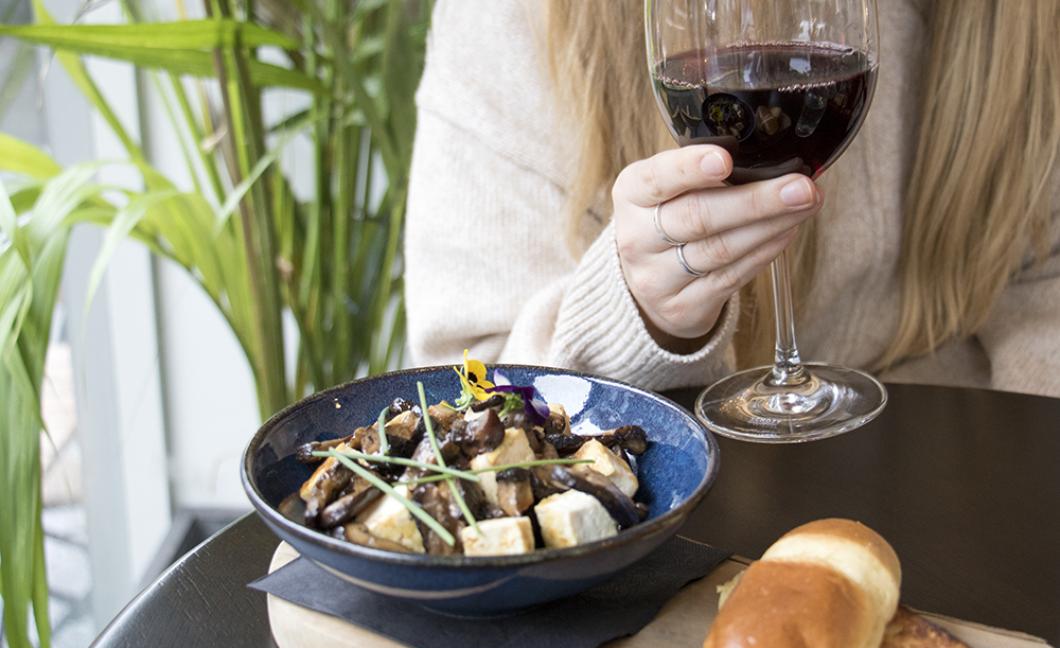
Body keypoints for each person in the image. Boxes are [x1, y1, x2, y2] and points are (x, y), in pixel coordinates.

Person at [404, 0, 1060, 398]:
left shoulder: (1013, 28)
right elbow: (464, 387)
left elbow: (1045, 298)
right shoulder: (508, 24)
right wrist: (634, 317)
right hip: (672, 550)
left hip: (962, 507)